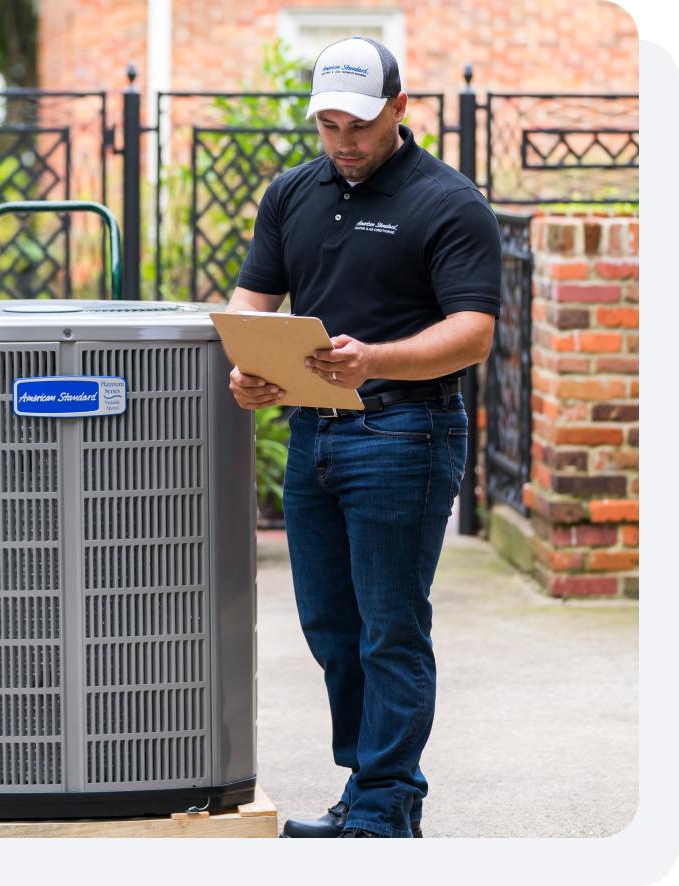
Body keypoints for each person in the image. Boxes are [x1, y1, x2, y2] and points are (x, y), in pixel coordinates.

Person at [226, 36, 502, 838]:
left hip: (405, 435)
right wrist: (249, 368)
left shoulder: (449, 202)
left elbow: (474, 334)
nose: (344, 142)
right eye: (330, 126)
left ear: (400, 107)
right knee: (332, 629)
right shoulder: (291, 195)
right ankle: (364, 788)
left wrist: (373, 359)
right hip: (313, 432)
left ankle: (387, 807)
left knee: (390, 628)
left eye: (360, 124)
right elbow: (252, 305)